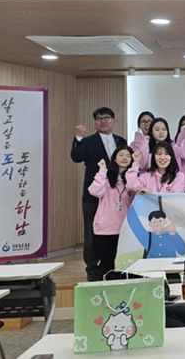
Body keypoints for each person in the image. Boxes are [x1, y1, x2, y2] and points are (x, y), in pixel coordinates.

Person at [71, 106, 127, 281]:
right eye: (99, 118)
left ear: (114, 121)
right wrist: (78, 138)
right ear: (95, 122)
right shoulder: (87, 141)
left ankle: (113, 264)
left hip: (116, 196)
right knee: (91, 231)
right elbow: (76, 156)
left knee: (117, 229)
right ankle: (92, 267)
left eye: (107, 117)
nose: (103, 121)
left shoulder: (121, 140)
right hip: (94, 194)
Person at [88, 146, 137, 276]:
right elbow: (94, 191)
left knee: (124, 265)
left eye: (128, 156)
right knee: (107, 264)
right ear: (114, 158)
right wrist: (102, 171)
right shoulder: (105, 177)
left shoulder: (133, 178)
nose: (124, 158)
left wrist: (135, 167)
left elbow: (134, 187)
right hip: (106, 228)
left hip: (125, 228)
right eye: (121, 155)